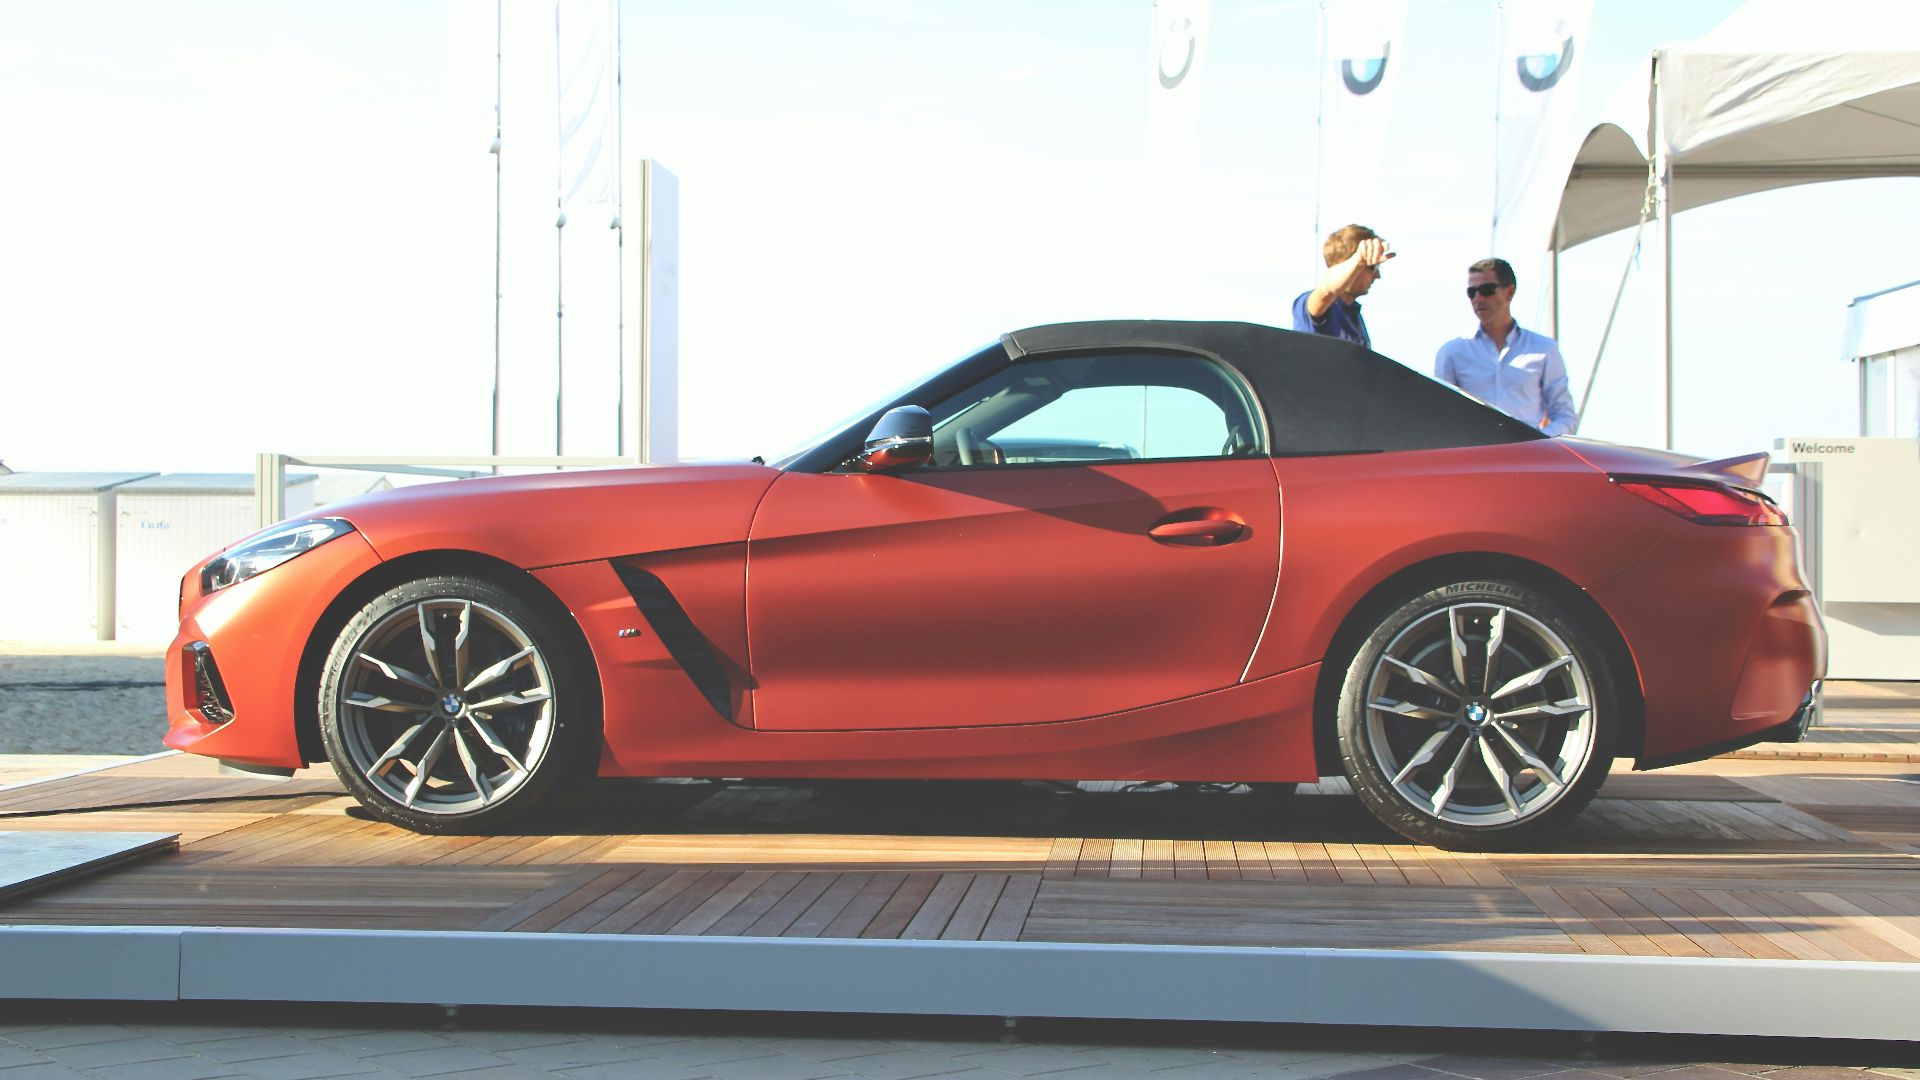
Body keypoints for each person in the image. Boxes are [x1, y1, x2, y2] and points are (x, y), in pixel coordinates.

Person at [1434, 257, 1578, 436]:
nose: (1478, 299)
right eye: (1471, 292)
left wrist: (1539, 444)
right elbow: (1439, 414)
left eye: (1487, 290)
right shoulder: (1453, 352)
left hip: (1527, 459)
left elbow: (1565, 415)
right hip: (1474, 457)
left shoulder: (1544, 349)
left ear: (1509, 292)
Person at [1291, 224, 1393, 349]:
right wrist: (1359, 260)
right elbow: (1326, 290)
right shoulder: (1311, 303)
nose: (1377, 275)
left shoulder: (1354, 315)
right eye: (1372, 267)